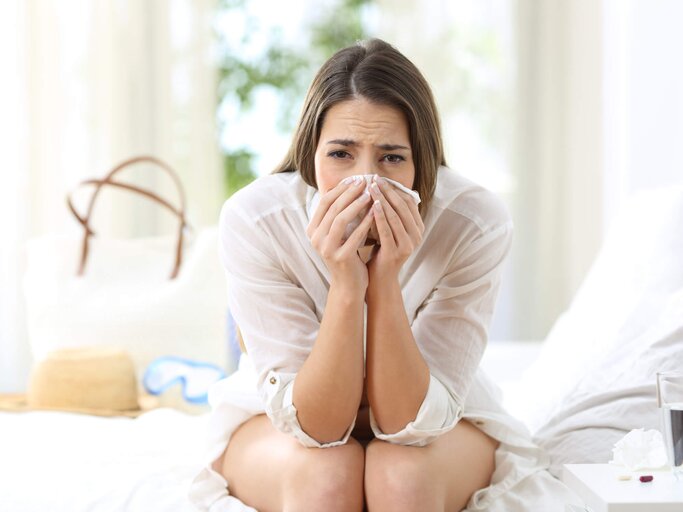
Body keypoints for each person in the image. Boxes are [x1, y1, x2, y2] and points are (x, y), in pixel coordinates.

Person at [189, 38, 571, 512]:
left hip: (439, 424)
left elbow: (407, 425)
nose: (366, 183)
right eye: (341, 155)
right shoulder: (257, 219)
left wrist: (384, 278)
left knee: (401, 477)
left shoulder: (473, 222)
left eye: (391, 158)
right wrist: (347, 284)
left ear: (421, 161)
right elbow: (320, 428)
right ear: (311, 154)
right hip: (284, 422)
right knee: (327, 477)